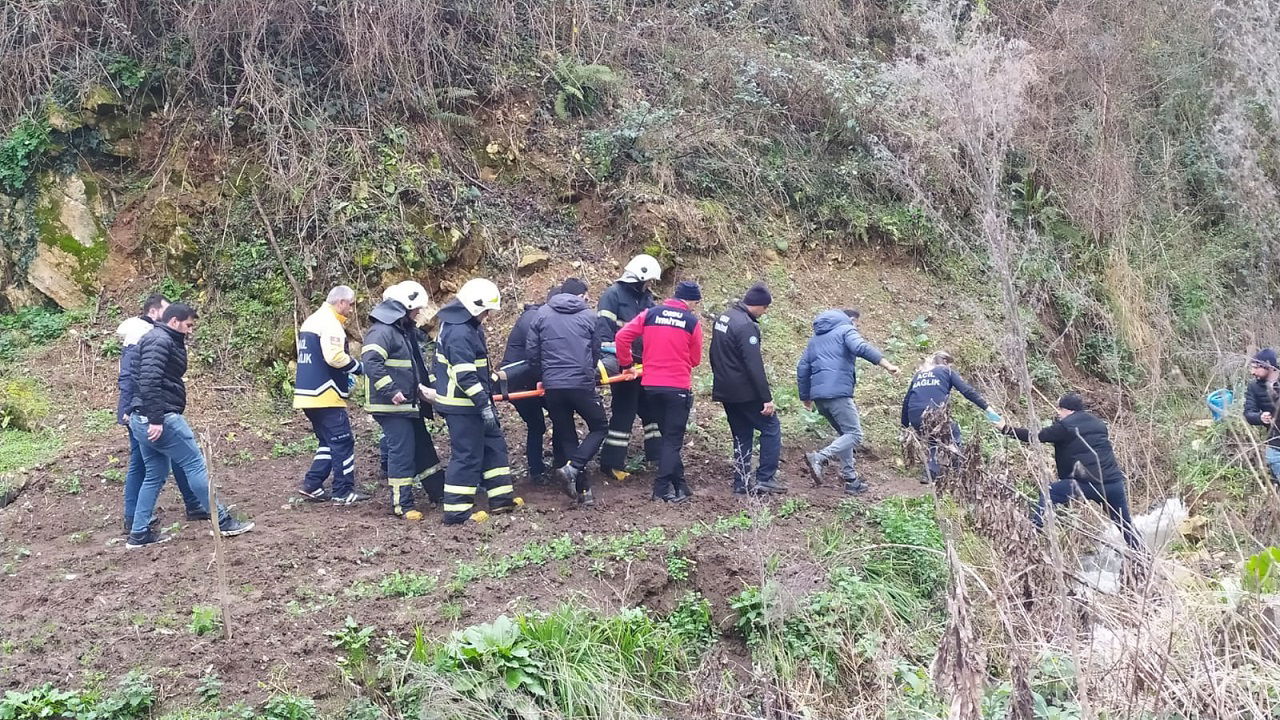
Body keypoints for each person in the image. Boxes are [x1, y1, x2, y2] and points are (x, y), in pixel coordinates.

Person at [126, 303, 254, 548]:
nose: (190, 330)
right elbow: (149, 380)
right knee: (195, 465)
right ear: (174, 321)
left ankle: (139, 533)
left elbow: (140, 378)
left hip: (141, 418)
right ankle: (222, 521)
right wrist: (155, 419)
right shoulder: (160, 341)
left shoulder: (160, 338)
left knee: (154, 474)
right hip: (160, 418)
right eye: (188, 325)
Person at [999, 393, 1143, 551]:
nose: (1058, 414)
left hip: (1084, 484)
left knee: (1049, 493)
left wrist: (1006, 429)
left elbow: (1035, 436)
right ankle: (1143, 557)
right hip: (1113, 483)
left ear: (1067, 410)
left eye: (1060, 410)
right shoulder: (1099, 424)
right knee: (1124, 524)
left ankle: (1033, 532)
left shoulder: (1065, 427)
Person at [432, 278, 522, 525]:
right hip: (462, 405)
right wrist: (483, 405)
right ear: (475, 307)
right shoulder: (460, 331)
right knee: (467, 455)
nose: (489, 316)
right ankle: (457, 512)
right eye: (486, 311)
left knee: (494, 446)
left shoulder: (465, 324)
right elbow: (465, 375)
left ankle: (501, 499)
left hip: (473, 402)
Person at [117, 294, 204, 535]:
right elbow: (137, 377)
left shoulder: (157, 336)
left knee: (158, 466)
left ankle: (140, 523)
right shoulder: (151, 337)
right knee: (145, 465)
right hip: (147, 411)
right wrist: (130, 409)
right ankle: (134, 518)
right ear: (156, 313)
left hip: (145, 409)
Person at [615, 280, 704, 503]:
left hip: (651, 386)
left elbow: (621, 337)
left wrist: (626, 365)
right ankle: (660, 490)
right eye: (695, 302)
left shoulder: (650, 314)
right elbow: (695, 359)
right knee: (673, 441)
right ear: (691, 300)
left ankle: (681, 485)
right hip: (677, 388)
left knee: (668, 440)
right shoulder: (692, 322)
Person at [362, 281, 444, 521]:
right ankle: (402, 504)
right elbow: (371, 362)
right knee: (402, 452)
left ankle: (438, 492)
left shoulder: (399, 329)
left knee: (423, 448)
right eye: (416, 308)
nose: (419, 313)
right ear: (405, 307)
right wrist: (391, 390)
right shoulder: (383, 331)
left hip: (407, 404)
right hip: (392, 406)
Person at [797, 309, 899, 494]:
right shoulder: (846, 330)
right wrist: (887, 365)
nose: (856, 327)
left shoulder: (815, 340)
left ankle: (851, 479)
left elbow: (802, 367)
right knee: (855, 434)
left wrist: (805, 396)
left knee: (845, 434)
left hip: (820, 398)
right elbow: (861, 348)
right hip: (838, 394)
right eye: (857, 324)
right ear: (851, 320)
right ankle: (819, 457)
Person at [527, 278, 606, 506]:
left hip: (553, 385)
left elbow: (533, 352)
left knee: (568, 434)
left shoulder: (541, 314)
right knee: (600, 427)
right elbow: (596, 349)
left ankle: (584, 492)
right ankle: (573, 468)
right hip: (580, 383)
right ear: (580, 296)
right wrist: (588, 371)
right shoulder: (590, 316)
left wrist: (542, 376)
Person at [293, 285, 369, 504]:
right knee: (343, 441)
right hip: (325, 394)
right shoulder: (330, 323)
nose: (352, 310)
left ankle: (312, 484)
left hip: (308, 394)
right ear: (341, 302)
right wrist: (360, 368)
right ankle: (343, 491)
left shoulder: (313, 320)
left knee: (328, 441)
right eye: (351, 305)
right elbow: (335, 357)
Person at [710, 284, 785, 496]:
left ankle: (741, 482)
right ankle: (766, 478)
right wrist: (766, 398)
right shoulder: (746, 326)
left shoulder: (724, 318)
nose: (765, 312)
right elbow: (754, 365)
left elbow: (713, 353)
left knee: (741, 434)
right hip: (745, 392)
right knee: (771, 427)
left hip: (725, 389)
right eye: (765, 308)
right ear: (759, 305)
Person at [596, 254, 663, 480]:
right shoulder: (612, 296)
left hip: (644, 366)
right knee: (624, 413)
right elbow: (604, 337)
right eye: (649, 280)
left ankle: (657, 456)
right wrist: (622, 362)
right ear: (640, 277)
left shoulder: (646, 299)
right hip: (624, 366)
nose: (650, 285)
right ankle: (611, 463)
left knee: (652, 411)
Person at [499, 285, 567, 485]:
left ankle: (558, 463)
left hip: (533, 379)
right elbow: (539, 353)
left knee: (560, 415)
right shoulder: (533, 319)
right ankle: (537, 471)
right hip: (518, 382)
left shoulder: (541, 317)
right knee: (537, 424)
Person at [900, 351, 998, 484]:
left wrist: (905, 425)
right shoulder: (946, 371)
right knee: (953, 433)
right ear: (945, 362)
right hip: (933, 413)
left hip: (915, 416)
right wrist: (987, 408)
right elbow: (967, 391)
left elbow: (907, 400)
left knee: (934, 437)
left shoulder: (919, 374)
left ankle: (930, 472)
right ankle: (960, 471)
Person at [1243, 348, 1280, 485]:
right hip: (1275, 443)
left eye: (1255, 368)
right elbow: (1248, 413)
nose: (1252, 372)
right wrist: (1260, 417)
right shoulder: (1254, 387)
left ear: (1268, 365)